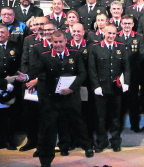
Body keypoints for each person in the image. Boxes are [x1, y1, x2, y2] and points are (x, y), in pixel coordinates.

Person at [22, 30, 94, 167]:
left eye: (60, 41)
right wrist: (26, 77)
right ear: (52, 42)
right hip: (51, 99)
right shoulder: (44, 56)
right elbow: (34, 70)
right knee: (48, 129)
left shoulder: (75, 54)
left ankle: (87, 146)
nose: (58, 44)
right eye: (55, 42)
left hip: (70, 97)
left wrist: (72, 88)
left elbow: (82, 73)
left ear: (66, 41)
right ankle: (46, 160)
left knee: (78, 123)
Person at [89, 24, 130, 153]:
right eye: (109, 33)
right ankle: (101, 142)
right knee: (100, 117)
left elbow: (126, 67)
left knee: (116, 117)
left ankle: (116, 142)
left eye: (113, 33)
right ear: (103, 33)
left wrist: (126, 83)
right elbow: (92, 69)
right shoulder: (95, 48)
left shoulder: (121, 48)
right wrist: (96, 86)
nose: (111, 36)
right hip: (101, 88)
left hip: (116, 88)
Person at [115, 15, 144, 133]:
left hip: (134, 75)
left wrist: (129, 69)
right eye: (125, 23)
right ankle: (118, 126)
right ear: (121, 24)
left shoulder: (139, 37)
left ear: (133, 25)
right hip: (119, 75)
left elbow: (141, 55)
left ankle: (135, 125)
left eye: (129, 23)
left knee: (134, 101)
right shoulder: (117, 37)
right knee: (119, 102)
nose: (127, 26)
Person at [0, 24, 22, 150]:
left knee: (11, 115)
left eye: (3, 32)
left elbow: (20, 65)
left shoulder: (16, 46)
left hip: (13, 86)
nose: (0, 35)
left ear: (8, 33)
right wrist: (3, 83)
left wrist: (11, 82)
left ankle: (9, 140)